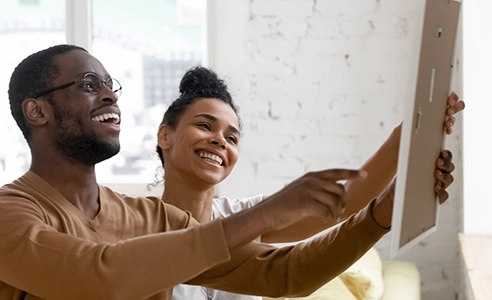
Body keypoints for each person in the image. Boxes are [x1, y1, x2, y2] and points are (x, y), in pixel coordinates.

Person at [0, 44, 454, 300]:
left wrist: (381, 212)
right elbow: (103, 276)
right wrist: (265, 215)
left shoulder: (151, 219)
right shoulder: (11, 214)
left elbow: (283, 273)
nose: (110, 96)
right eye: (87, 85)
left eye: (110, 86)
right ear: (36, 111)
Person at [155, 67, 463, 300]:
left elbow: (343, 203)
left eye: (231, 137)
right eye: (205, 125)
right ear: (164, 135)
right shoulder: (136, 229)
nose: (220, 141)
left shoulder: (241, 217)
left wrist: (407, 138)